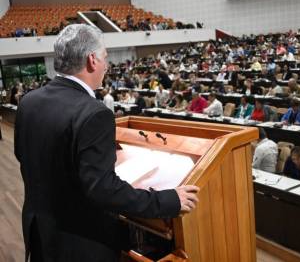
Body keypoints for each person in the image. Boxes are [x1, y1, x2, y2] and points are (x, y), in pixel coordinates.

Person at [14, 24, 199, 262]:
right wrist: (167, 200)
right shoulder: (94, 113)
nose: (107, 65)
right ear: (92, 60)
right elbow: (103, 189)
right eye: (104, 57)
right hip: (80, 243)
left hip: (41, 232)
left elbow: (24, 157)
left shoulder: (29, 102)